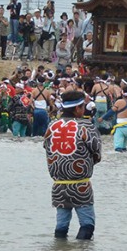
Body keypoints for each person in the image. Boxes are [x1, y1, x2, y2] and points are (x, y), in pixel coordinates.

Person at [46, 90, 103, 239]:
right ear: (78, 108)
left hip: (58, 185)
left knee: (61, 226)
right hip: (81, 185)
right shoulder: (87, 126)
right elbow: (97, 153)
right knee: (87, 225)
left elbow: (47, 148)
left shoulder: (52, 126)